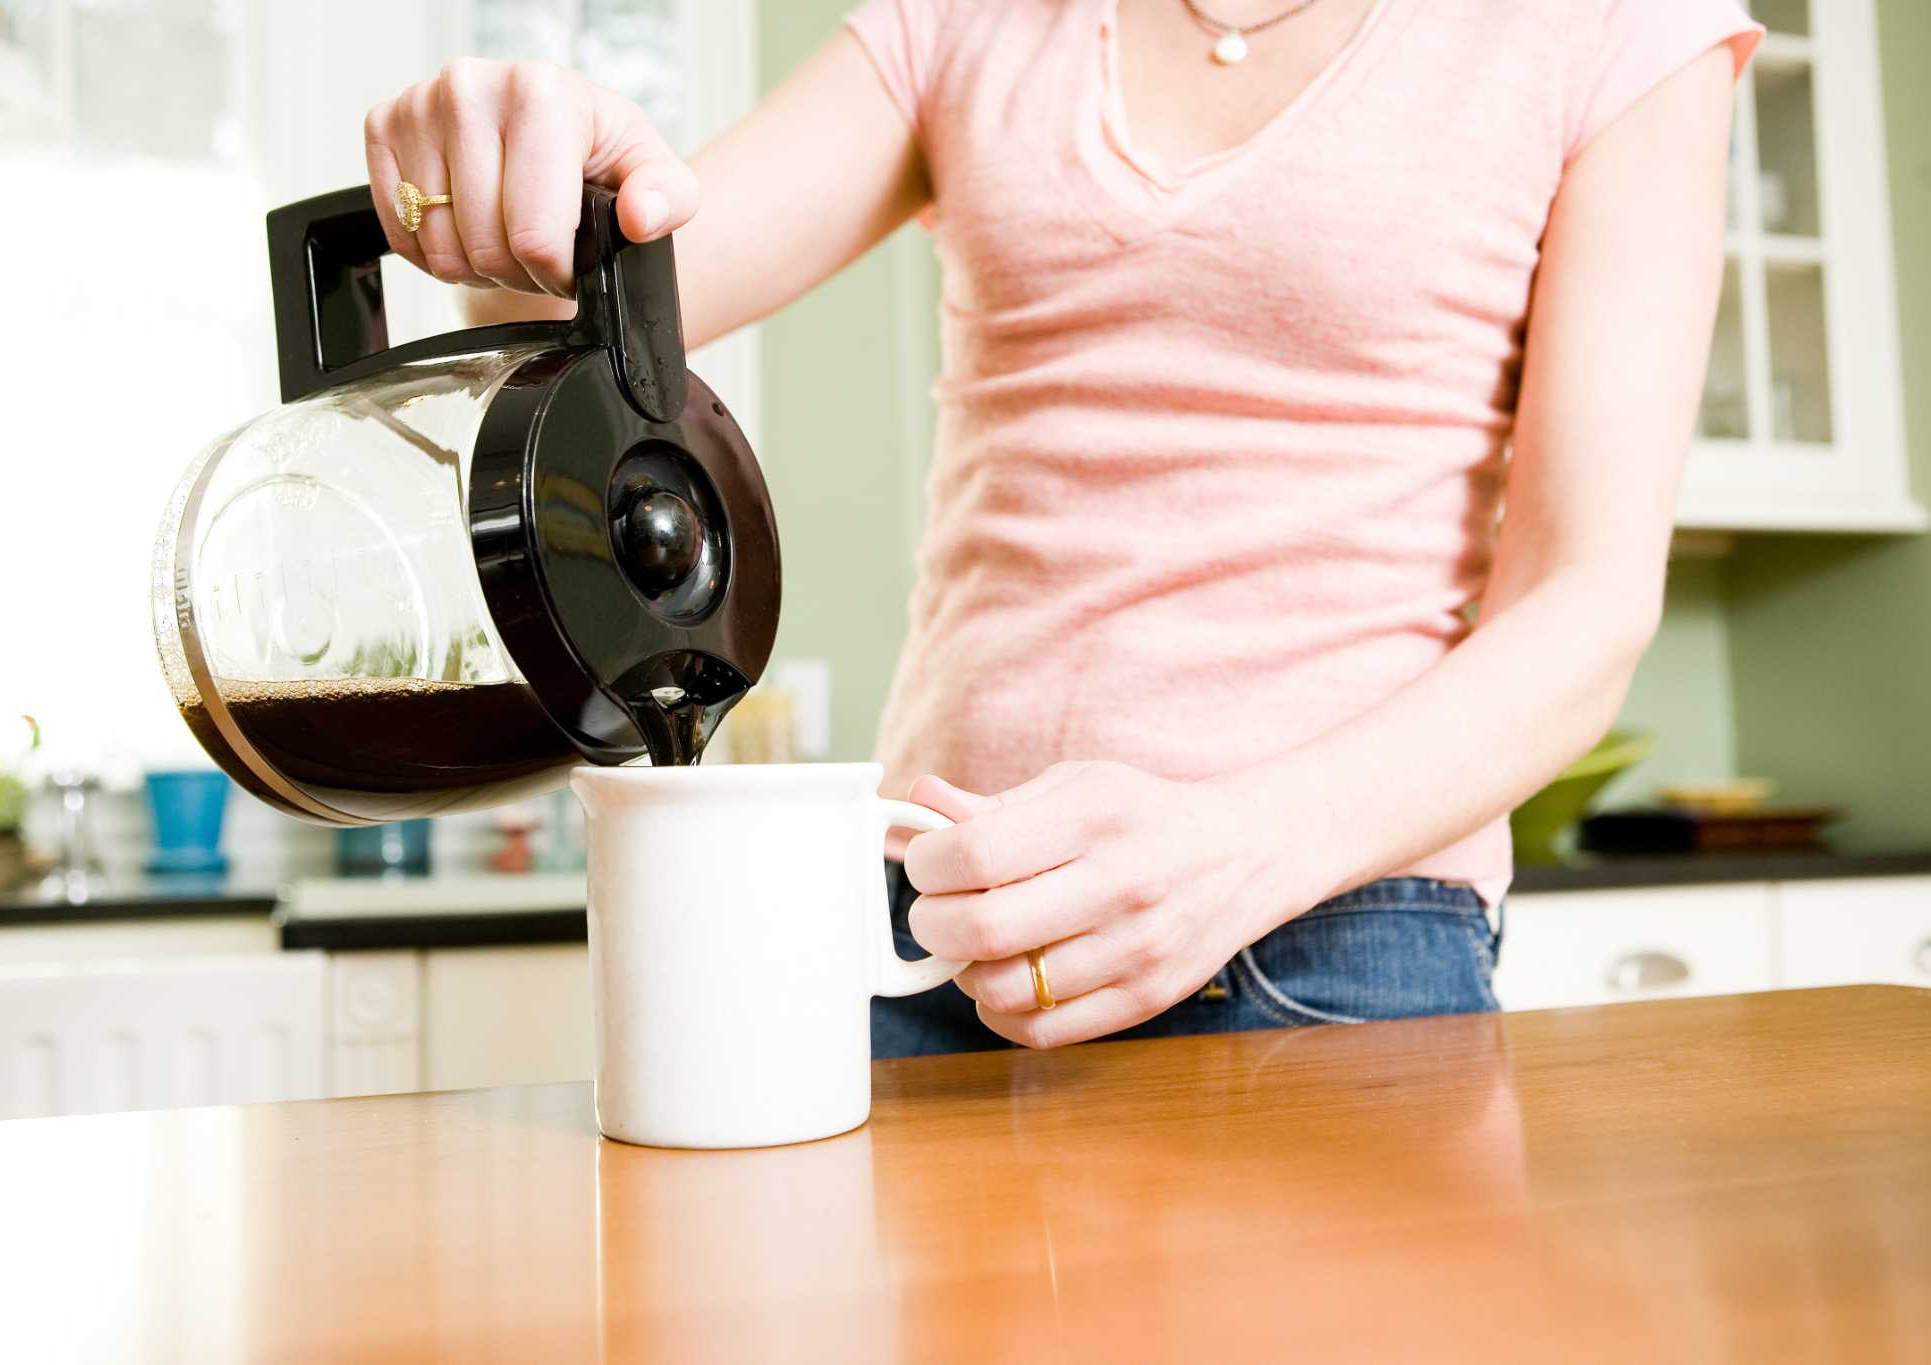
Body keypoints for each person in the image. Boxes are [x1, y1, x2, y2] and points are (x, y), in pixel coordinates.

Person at [365, 0, 1762, 1056]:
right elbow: (590, 306)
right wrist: (504, 182)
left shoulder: (1618, 27)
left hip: (1338, 933)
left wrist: (1235, 851)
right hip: (933, 923)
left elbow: (1584, 607)